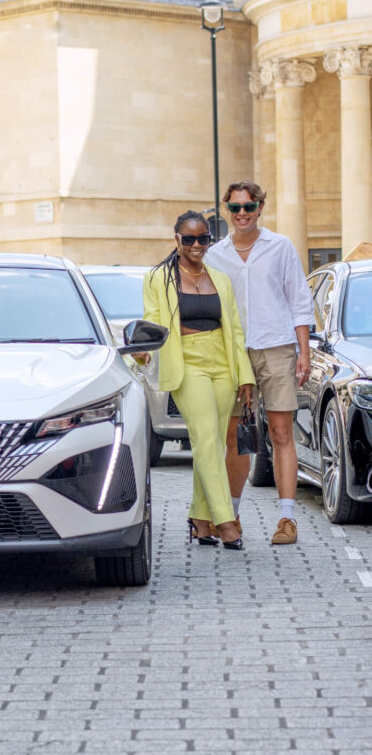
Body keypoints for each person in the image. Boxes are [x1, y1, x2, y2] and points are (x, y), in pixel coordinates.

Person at [205, 181, 314, 545]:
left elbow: (299, 299)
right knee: (235, 437)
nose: (242, 214)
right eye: (235, 208)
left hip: (276, 346)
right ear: (227, 210)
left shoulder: (280, 246)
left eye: (248, 207)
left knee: (280, 432)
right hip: (232, 353)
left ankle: (287, 519)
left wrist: (304, 351)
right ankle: (230, 515)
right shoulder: (215, 255)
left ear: (260, 208)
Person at [143, 210, 255, 549]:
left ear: (210, 240)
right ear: (176, 239)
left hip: (223, 363)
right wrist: (143, 352)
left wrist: (245, 375)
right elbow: (153, 322)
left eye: (203, 238)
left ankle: (200, 518)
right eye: (189, 238)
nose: (196, 244)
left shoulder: (220, 278)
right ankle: (226, 521)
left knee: (215, 443)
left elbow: (234, 330)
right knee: (206, 438)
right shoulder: (158, 279)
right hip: (187, 362)